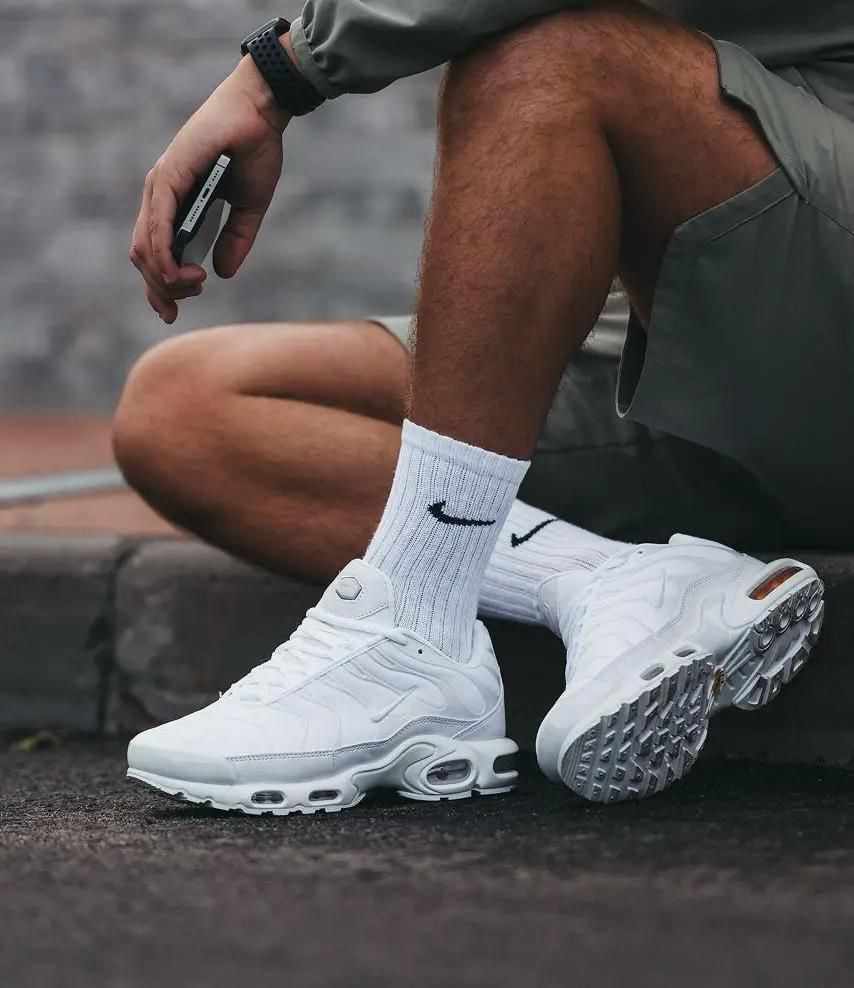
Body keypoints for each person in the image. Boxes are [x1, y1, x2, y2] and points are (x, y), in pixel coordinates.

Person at [119, 0, 844, 809]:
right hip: (696, 328)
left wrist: (274, 75)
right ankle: (621, 583)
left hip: (819, 310)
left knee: (553, 62)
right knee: (182, 410)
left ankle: (417, 632)